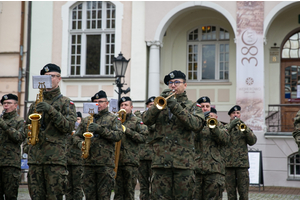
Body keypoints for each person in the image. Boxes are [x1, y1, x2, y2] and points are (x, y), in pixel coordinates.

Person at [142, 70, 205, 199]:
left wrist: (175, 106)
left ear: (185, 85)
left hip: (183, 164)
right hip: (161, 163)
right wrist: (156, 106)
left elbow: (196, 125)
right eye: (170, 83)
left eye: (177, 82)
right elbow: (146, 120)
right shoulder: (160, 104)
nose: (173, 86)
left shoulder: (193, 106)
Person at [26, 63, 77, 199]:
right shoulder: (34, 105)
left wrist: (51, 110)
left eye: (52, 76)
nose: (49, 79)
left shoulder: (66, 103)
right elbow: (27, 128)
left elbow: (69, 127)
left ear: (59, 79)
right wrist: (28, 146)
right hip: (35, 159)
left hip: (55, 160)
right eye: (46, 76)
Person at [74, 90, 123, 200]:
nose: (98, 104)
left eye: (101, 101)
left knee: (103, 196)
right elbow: (76, 136)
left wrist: (100, 130)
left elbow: (118, 135)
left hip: (105, 164)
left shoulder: (113, 118)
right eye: (95, 102)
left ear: (107, 103)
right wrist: (80, 143)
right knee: (89, 196)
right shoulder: (86, 120)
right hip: (88, 163)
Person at [194, 96, 229, 200]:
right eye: (202, 106)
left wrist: (213, 128)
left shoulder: (218, 124)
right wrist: (200, 123)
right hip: (196, 169)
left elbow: (225, 140)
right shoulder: (193, 124)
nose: (205, 108)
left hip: (214, 170)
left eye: (207, 106)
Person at [114, 96, 148, 200]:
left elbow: (143, 137)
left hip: (131, 162)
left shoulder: (137, 121)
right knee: (118, 193)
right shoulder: (115, 120)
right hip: (117, 162)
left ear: (131, 107)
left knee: (129, 192)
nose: (123, 107)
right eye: (121, 105)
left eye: (126, 105)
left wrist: (127, 130)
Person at [224, 105, 257, 200]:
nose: (235, 115)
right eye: (233, 113)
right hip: (228, 165)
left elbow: (252, 141)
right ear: (230, 115)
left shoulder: (244, 128)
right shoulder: (225, 128)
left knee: (243, 193)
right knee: (231, 194)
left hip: (242, 165)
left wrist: (246, 130)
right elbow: (222, 137)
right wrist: (231, 126)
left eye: (237, 113)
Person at [0, 94, 25, 199]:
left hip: (10, 164)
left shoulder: (20, 121)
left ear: (15, 105)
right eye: (4, 103)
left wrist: (4, 125)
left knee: (10, 196)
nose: (6, 105)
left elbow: (19, 138)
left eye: (9, 103)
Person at [134, 96, 155, 200]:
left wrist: (141, 119)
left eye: (154, 105)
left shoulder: (158, 118)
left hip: (154, 157)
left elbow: (151, 128)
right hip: (142, 157)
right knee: (143, 186)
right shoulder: (142, 117)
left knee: (155, 186)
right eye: (150, 105)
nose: (152, 107)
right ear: (147, 106)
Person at [66, 111, 83, 200]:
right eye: (75, 120)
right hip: (67, 161)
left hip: (78, 162)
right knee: (68, 188)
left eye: (78, 119)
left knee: (77, 188)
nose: (76, 122)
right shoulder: (68, 130)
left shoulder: (82, 131)